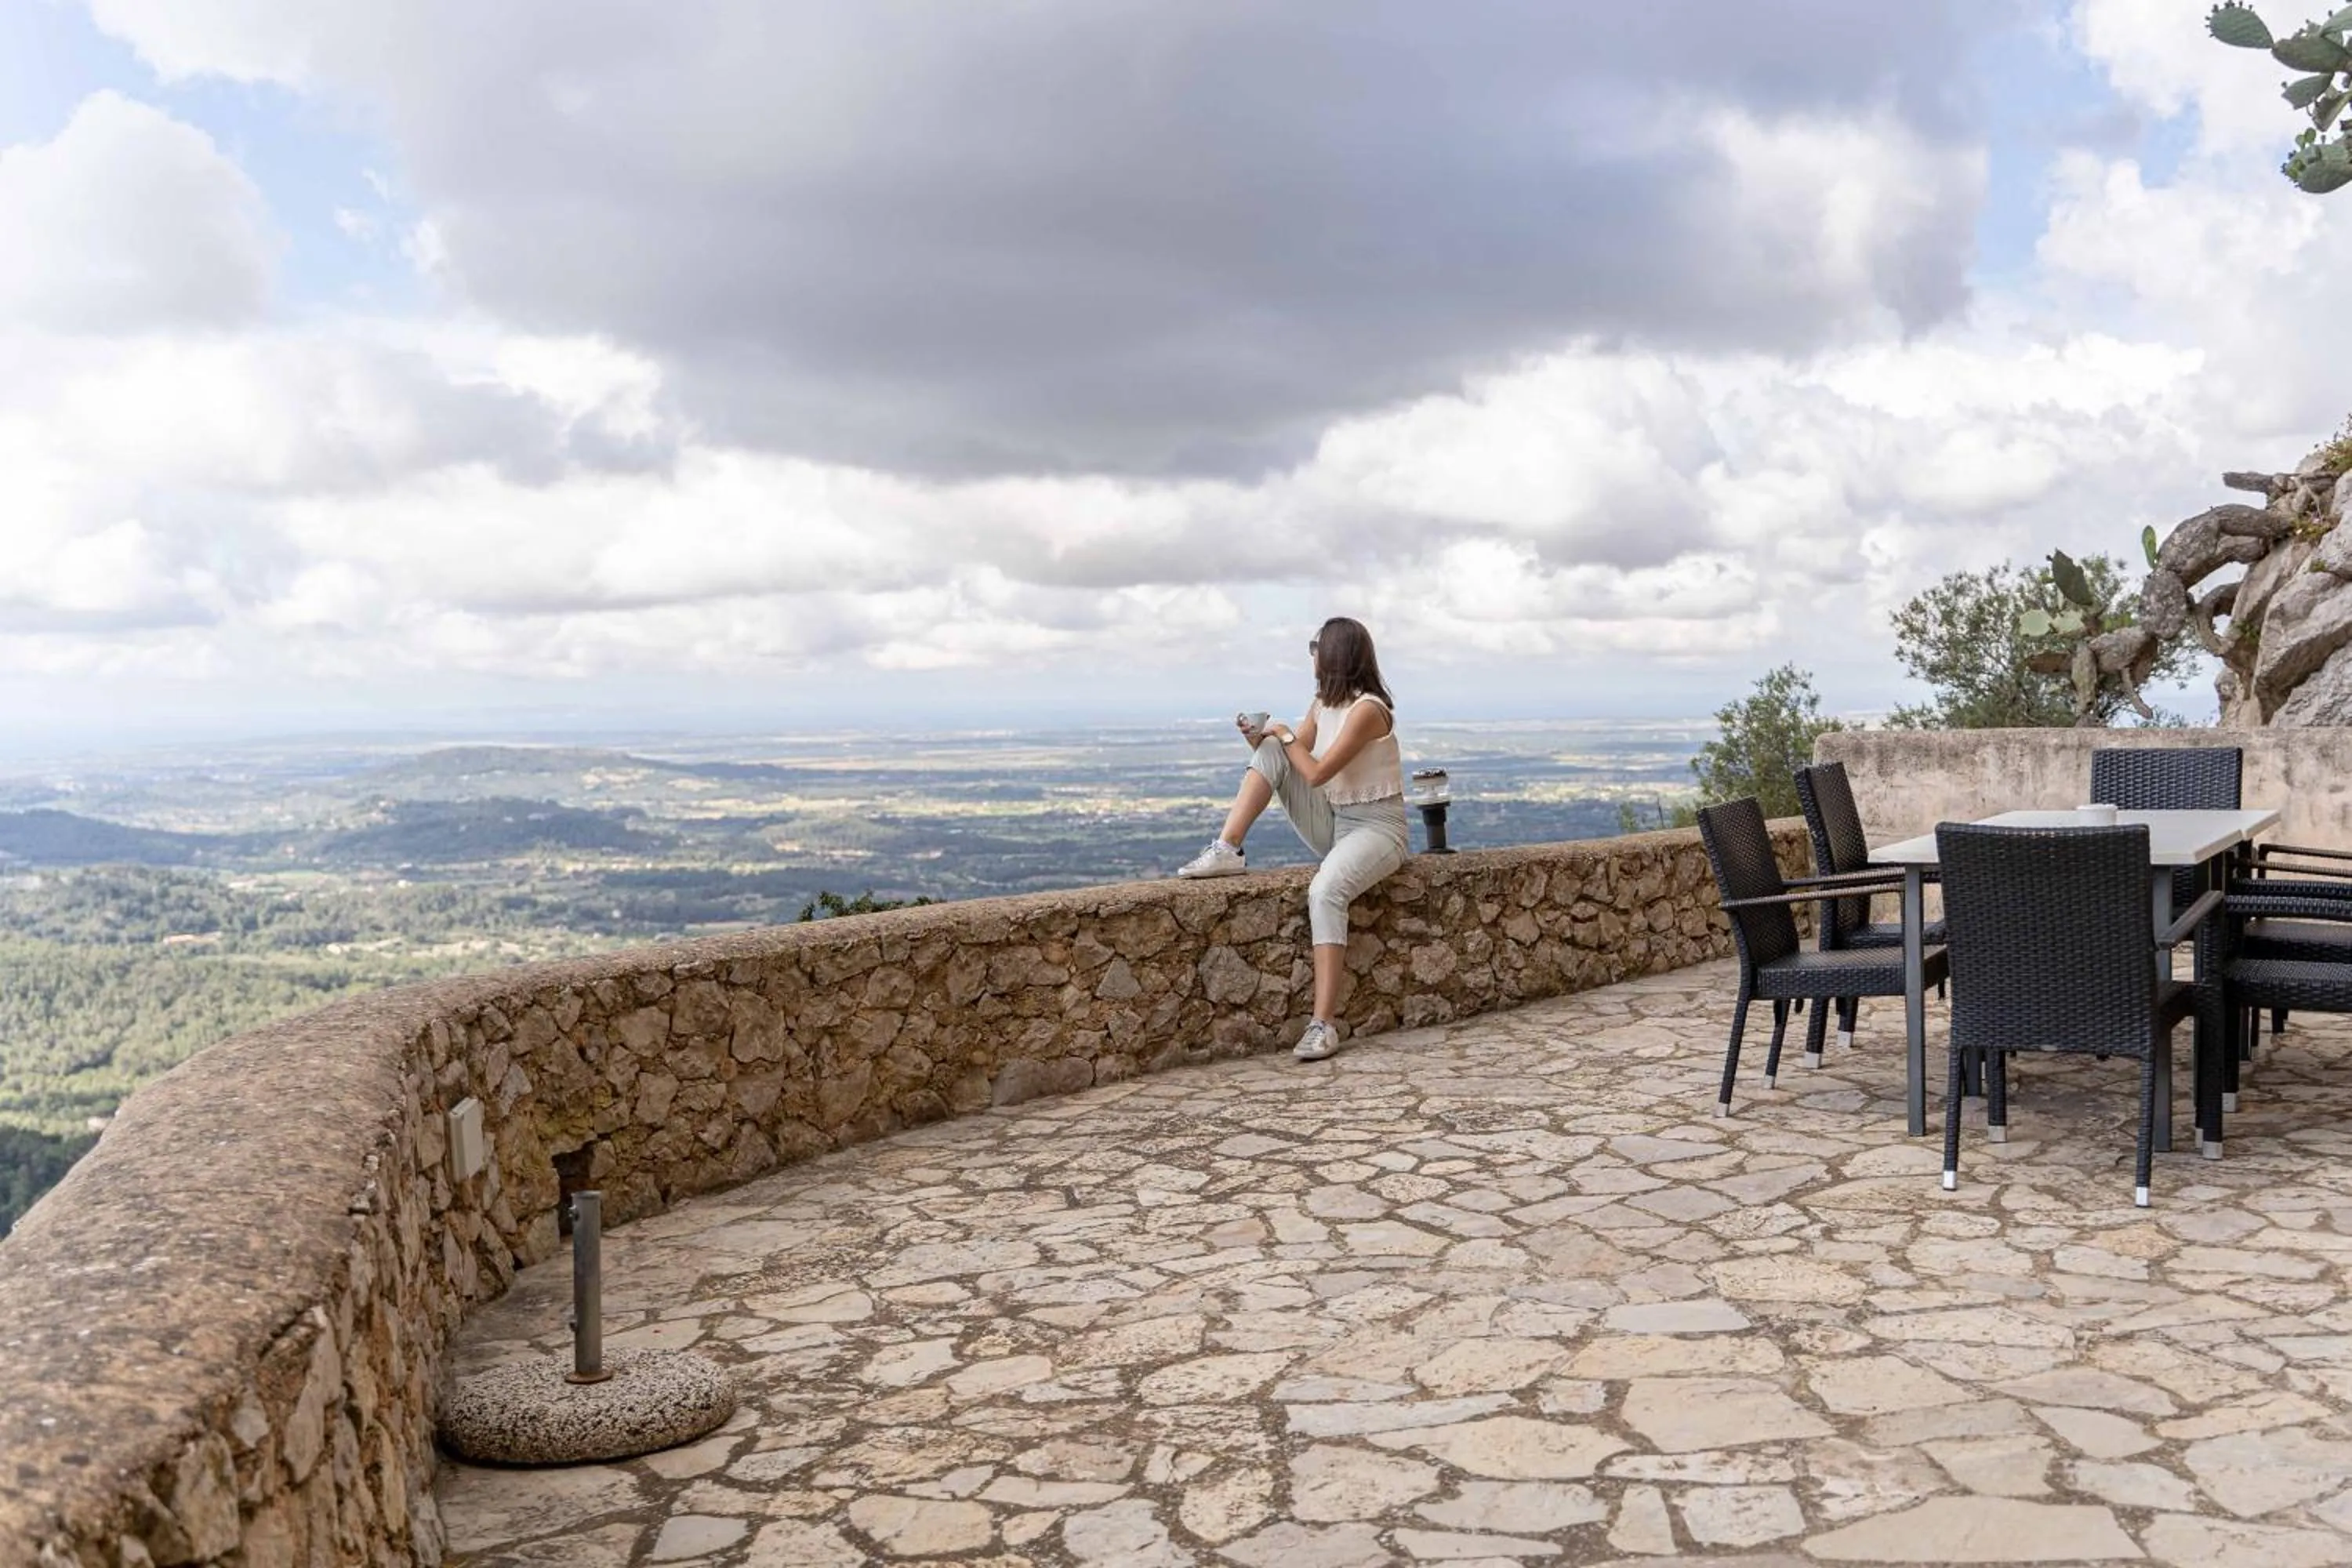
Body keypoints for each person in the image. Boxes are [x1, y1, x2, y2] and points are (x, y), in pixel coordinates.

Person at [1175, 616, 1409, 1062]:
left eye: (1315, 646)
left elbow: (1319, 771)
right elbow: (1291, 760)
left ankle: (1323, 1025)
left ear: (1336, 652)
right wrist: (1261, 741)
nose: (1312, 655)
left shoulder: (1369, 710)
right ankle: (1228, 848)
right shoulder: (1324, 702)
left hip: (1378, 829)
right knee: (1270, 750)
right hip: (1336, 822)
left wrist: (1283, 736)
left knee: (1325, 891)